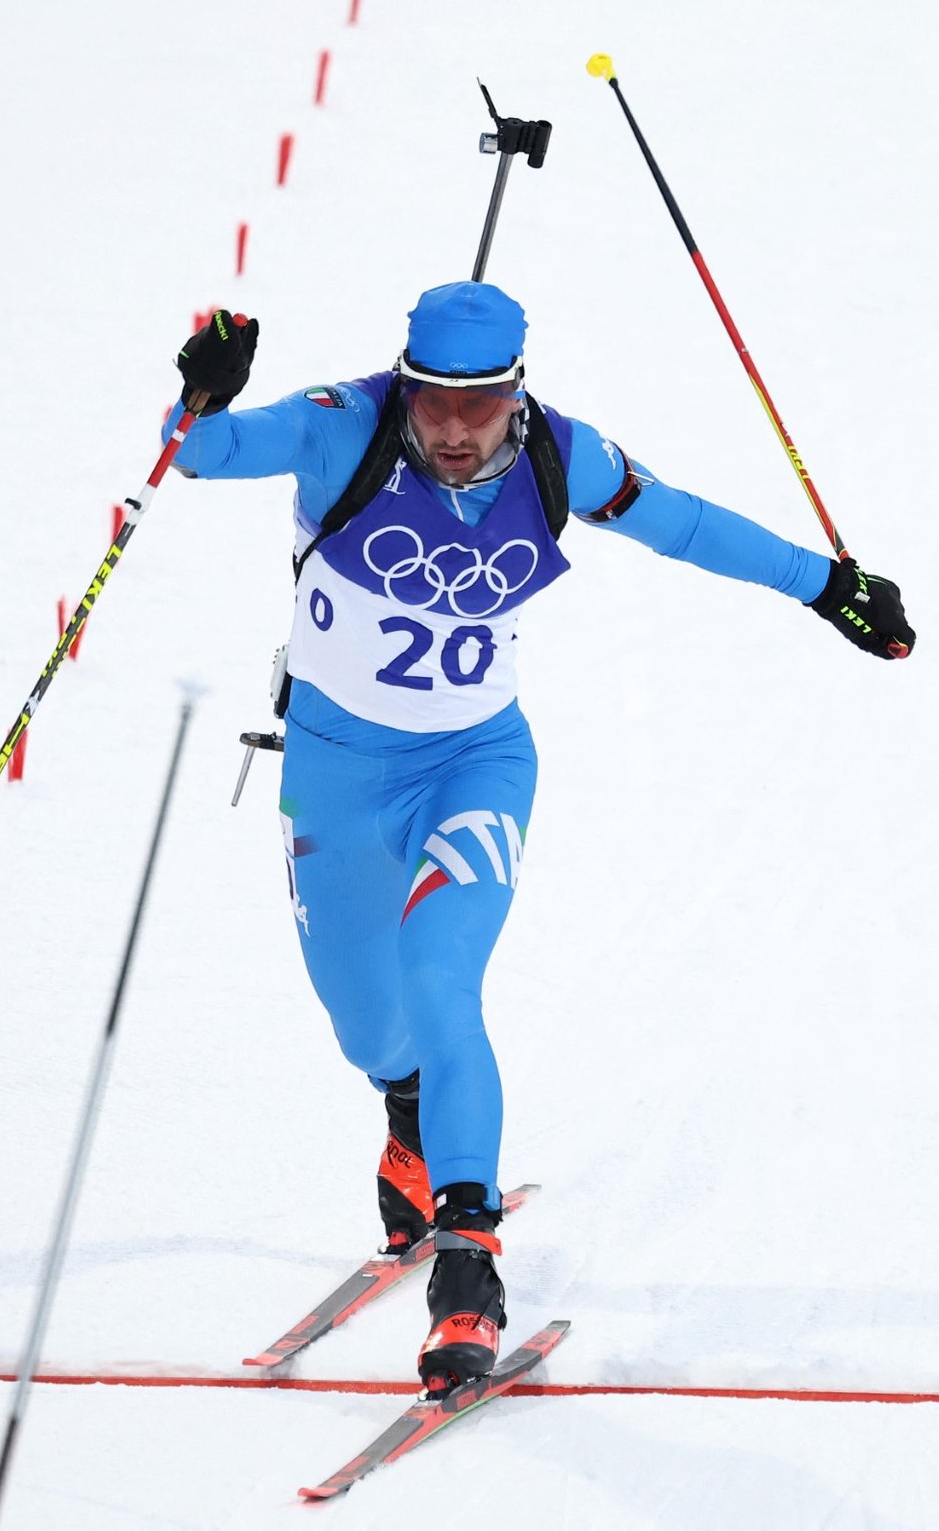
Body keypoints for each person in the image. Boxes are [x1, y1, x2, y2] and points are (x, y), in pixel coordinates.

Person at [165, 282, 915, 1395]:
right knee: (368, 1024)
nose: (455, 428)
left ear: (517, 392)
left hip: (472, 767)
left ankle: (467, 1270)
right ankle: (409, 1112)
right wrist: (198, 392)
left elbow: (689, 524)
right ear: (404, 382)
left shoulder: (563, 456)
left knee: (442, 975)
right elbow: (207, 454)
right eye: (433, 401)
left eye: (480, 403)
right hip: (331, 777)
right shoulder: (339, 425)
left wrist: (828, 587)